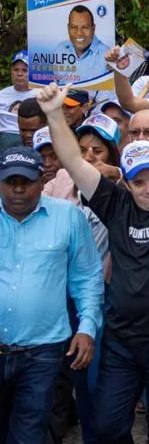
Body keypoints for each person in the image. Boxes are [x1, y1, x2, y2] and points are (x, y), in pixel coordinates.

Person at [39, 57, 149, 443]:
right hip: (121, 340)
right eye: (139, 182)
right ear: (128, 184)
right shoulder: (115, 204)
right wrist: (53, 114)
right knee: (106, 426)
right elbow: (71, 159)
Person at [0, 145, 103, 443]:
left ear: (42, 181)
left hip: (42, 352)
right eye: (10, 182)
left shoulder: (68, 217)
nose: (18, 190)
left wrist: (87, 328)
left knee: (29, 433)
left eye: (26, 182)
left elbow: (87, 277)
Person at [55, 5, 111, 84]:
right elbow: (55, 84)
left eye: (85, 27)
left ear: (93, 28)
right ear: (68, 28)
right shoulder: (60, 49)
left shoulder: (107, 56)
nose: (79, 33)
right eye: (74, 27)